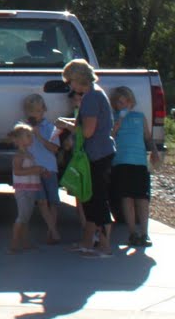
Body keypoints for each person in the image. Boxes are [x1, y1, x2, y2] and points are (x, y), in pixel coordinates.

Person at [56, 59, 116, 256]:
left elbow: (88, 131)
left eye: (70, 81)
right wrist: (68, 121)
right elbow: (87, 122)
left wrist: (66, 126)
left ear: (78, 78)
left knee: (97, 198)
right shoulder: (95, 93)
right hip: (100, 152)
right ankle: (87, 241)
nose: (70, 85)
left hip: (97, 153)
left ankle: (105, 244)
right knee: (89, 197)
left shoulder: (91, 98)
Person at [109, 85, 156, 248]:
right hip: (121, 161)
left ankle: (144, 232)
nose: (122, 106)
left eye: (125, 102)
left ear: (131, 102)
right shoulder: (113, 118)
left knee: (142, 199)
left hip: (139, 162)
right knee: (126, 198)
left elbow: (148, 138)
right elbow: (110, 138)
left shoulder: (139, 117)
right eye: (119, 103)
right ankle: (132, 232)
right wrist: (116, 127)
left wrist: (155, 151)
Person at [20, 93, 62, 243]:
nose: (35, 115)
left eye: (38, 111)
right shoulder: (23, 128)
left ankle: (52, 231)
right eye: (31, 111)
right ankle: (54, 231)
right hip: (34, 169)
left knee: (53, 201)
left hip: (50, 168)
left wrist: (39, 136)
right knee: (42, 201)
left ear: (44, 110)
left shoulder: (52, 127)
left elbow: (55, 149)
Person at [7, 123, 48, 252]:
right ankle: (14, 243)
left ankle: (24, 242)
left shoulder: (30, 155)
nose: (31, 138)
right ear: (19, 140)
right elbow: (18, 171)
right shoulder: (19, 156)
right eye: (28, 136)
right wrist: (35, 169)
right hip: (22, 189)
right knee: (22, 216)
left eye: (31, 136)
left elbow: (31, 170)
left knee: (26, 217)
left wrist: (41, 171)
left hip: (31, 188)